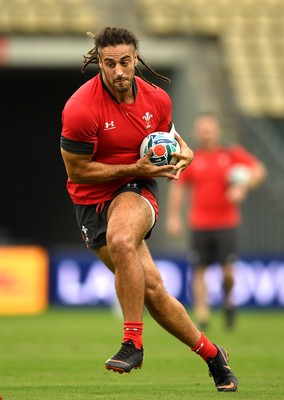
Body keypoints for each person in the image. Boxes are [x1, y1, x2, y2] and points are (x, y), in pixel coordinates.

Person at [60, 27, 238, 392]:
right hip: (91, 200)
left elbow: (168, 137)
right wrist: (134, 166)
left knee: (122, 237)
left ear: (136, 58)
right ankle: (213, 355)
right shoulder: (81, 109)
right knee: (153, 290)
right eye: (110, 64)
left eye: (125, 62)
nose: (119, 71)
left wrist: (183, 152)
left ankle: (132, 343)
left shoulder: (157, 99)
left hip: (136, 190)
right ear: (99, 63)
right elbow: (78, 170)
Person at [166, 112, 267, 330]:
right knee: (199, 269)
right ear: (197, 132)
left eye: (209, 129)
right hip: (199, 223)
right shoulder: (192, 157)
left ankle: (229, 302)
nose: (206, 133)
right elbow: (179, 187)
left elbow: (258, 170)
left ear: (217, 130)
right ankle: (203, 315)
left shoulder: (231, 154)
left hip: (226, 222)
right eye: (202, 129)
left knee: (228, 272)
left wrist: (243, 186)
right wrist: (173, 217)